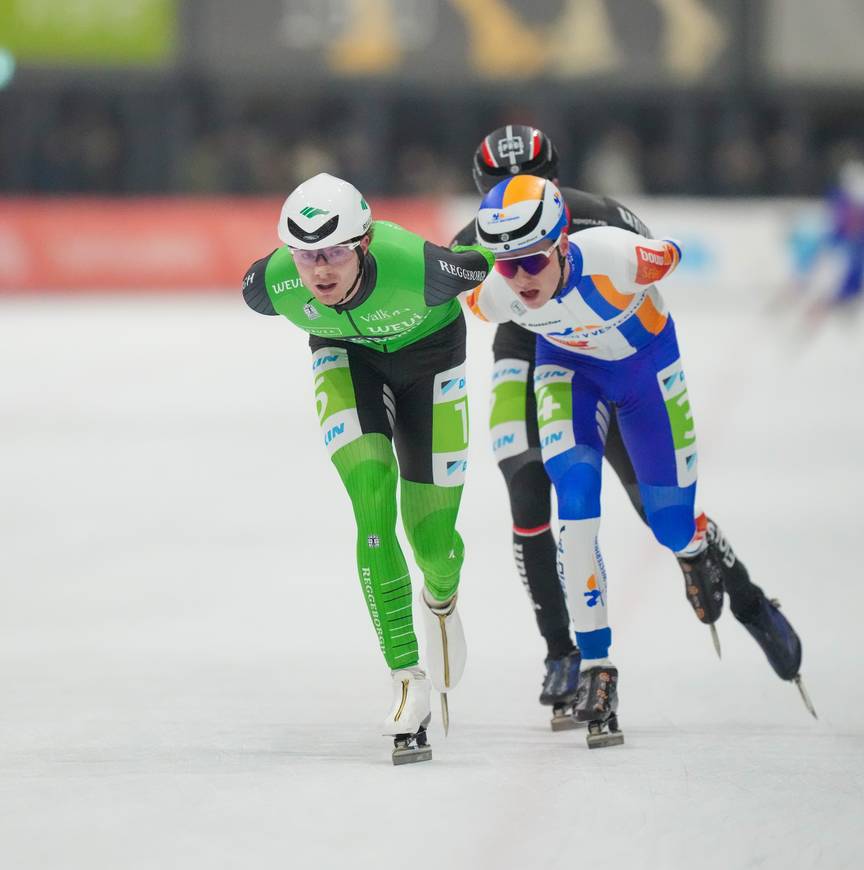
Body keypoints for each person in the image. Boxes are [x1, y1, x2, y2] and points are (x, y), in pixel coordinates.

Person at [455, 126, 813, 730]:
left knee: (661, 514)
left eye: (532, 189)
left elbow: (657, 262)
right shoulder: (491, 268)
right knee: (541, 491)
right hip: (540, 344)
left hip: (626, 357)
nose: (515, 258)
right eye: (496, 193)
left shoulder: (600, 228)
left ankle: (729, 579)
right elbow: (447, 298)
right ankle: (572, 656)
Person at [242, 173, 494, 764]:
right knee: (373, 503)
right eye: (306, 256)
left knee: (433, 541)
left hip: (431, 364)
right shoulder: (273, 284)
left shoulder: (420, 267)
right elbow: (256, 284)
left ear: (363, 242)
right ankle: (408, 679)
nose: (319, 271)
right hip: (345, 361)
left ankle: (443, 596)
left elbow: (485, 258)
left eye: (332, 253)